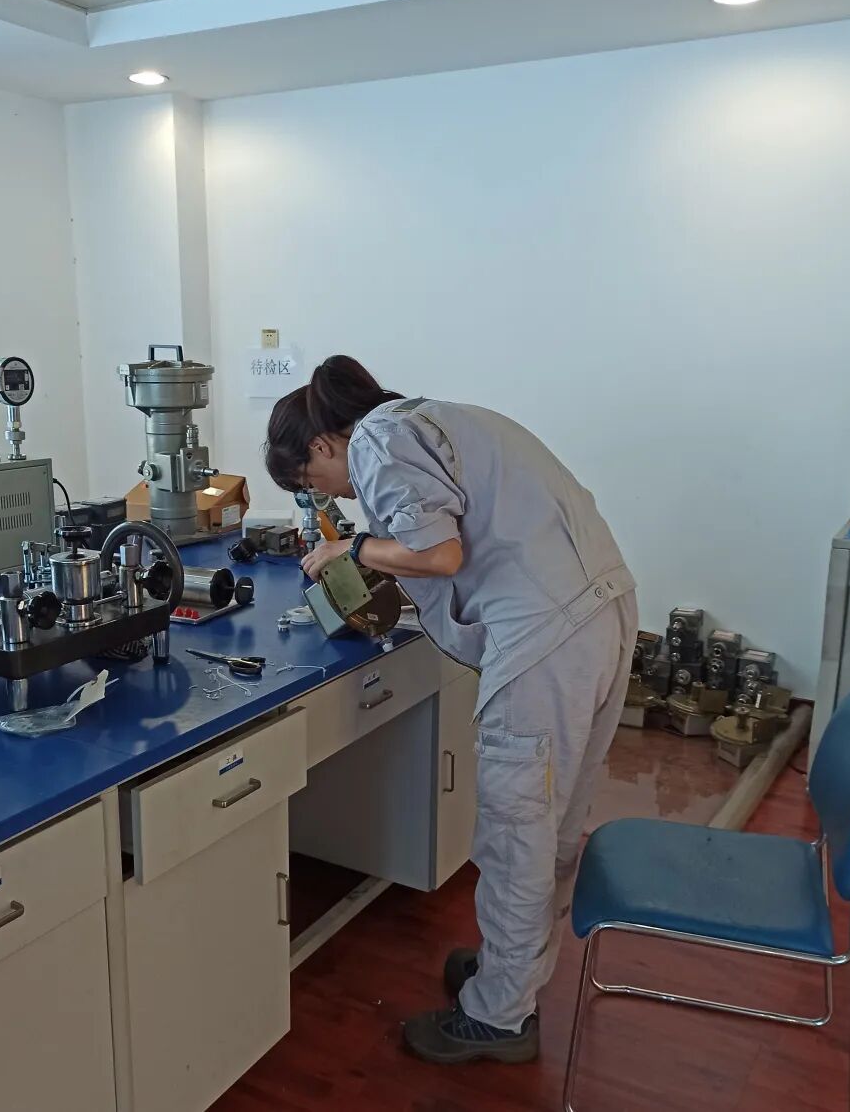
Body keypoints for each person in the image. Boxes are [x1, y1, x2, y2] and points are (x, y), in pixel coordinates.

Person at [264, 356, 637, 1064]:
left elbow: (437, 555)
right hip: (601, 612)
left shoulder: (376, 439)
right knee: (552, 824)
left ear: (321, 444)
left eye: (312, 482)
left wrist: (351, 549)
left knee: (517, 831)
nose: (328, 494)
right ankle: (512, 975)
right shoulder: (433, 418)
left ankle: (499, 1018)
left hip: (544, 637)